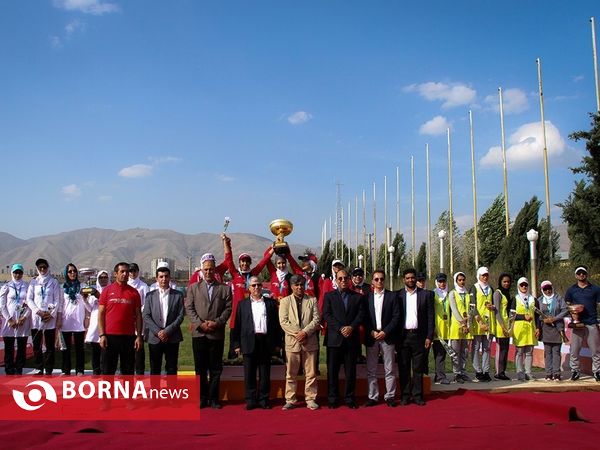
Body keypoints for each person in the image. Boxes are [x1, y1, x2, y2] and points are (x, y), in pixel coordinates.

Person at [185, 253, 232, 409]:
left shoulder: (224, 289)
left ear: (215, 270)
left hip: (216, 333)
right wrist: (200, 324)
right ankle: (202, 397)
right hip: (199, 333)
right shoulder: (193, 288)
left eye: (211, 269)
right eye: (205, 269)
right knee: (200, 368)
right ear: (201, 270)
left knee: (215, 368)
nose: (208, 272)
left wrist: (217, 323)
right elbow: (189, 308)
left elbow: (228, 309)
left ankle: (213, 398)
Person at [232, 276, 282, 410]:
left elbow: (276, 325)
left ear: (262, 287)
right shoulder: (242, 305)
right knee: (249, 373)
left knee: (265, 374)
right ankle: (250, 400)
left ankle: (264, 399)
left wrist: (278, 343)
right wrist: (236, 344)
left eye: (258, 285)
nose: (256, 287)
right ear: (249, 288)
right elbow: (237, 325)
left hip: (266, 342)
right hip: (248, 341)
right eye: (253, 285)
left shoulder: (271, 304)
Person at [223, 236, 273, 360]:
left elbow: (262, 263)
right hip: (237, 316)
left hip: (251, 315)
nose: (244, 263)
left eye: (247, 261)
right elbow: (228, 260)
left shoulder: (253, 275)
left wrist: (273, 249)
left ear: (250, 263)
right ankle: (233, 366)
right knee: (234, 346)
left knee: (249, 346)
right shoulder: (235, 274)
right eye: (242, 261)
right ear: (239, 263)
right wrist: (226, 243)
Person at [279, 274, 321, 411]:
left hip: (310, 341)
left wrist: (305, 332)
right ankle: (290, 399)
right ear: (291, 286)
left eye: (301, 285)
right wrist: (298, 333)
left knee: (311, 373)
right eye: (296, 285)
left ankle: (310, 398)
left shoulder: (312, 300)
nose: (299, 287)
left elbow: (316, 319)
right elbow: (283, 322)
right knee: (291, 373)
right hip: (292, 342)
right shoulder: (285, 301)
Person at [323, 268, 364, 409]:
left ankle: (349, 398)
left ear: (349, 279)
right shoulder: (329, 296)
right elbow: (327, 315)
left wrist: (351, 327)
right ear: (336, 280)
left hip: (351, 339)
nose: (343, 281)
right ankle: (333, 399)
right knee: (332, 371)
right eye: (340, 278)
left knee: (350, 371)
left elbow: (361, 315)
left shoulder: (357, 297)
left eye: (345, 278)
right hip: (334, 338)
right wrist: (341, 328)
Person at [396, 268, 434, 406]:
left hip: (419, 337)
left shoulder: (426, 295)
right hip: (403, 337)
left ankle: (417, 395)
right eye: (408, 278)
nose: (410, 280)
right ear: (403, 280)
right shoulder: (398, 295)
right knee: (404, 368)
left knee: (418, 369)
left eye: (413, 277)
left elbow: (431, 317)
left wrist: (429, 336)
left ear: (416, 279)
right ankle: (405, 395)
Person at [98, 262, 143, 375]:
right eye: (122, 271)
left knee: (128, 370)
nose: (125, 274)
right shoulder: (107, 291)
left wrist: (138, 336)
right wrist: (102, 334)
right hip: (110, 337)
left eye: (127, 272)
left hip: (128, 337)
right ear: (115, 274)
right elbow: (101, 314)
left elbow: (138, 315)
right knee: (108, 370)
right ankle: (108, 393)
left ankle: (127, 392)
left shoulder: (134, 293)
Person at [364, 270, 400, 407]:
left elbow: (396, 317)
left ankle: (390, 396)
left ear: (384, 280)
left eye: (381, 279)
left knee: (389, 368)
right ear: (372, 281)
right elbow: (364, 318)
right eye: (376, 279)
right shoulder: (366, 297)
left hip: (387, 336)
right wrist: (371, 331)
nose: (379, 282)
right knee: (371, 369)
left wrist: (385, 331)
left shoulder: (392, 296)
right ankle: (373, 396)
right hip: (372, 337)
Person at [143, 265, 185, 375]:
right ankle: (155, 392)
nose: (164, 279)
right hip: (154, 337)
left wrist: (167, 331)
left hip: (172, 336)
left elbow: (180, 316)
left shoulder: (178, 295)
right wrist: (158, 332)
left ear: (170, 278)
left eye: (166, 276)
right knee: (155, 368)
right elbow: (146, 316)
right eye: (161, 277)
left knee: (171, 368)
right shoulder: (150, 296)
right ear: (156, 279)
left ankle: (171, 392)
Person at [26, 258, 62, 375]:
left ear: (48, 268)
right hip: (36, 318)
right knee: (37, 345)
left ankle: (49, 369)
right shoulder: (33, 282)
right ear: (37, 268)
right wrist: (38, 311)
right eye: (40, 267)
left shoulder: (54, 282)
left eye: (44, 267)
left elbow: (57, 299)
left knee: (50, 345)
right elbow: (29, 299)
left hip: (49, 318)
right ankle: (39, 368)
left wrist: (50, 314)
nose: (42, 269)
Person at [564, 266, 600, 381]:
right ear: (576, 275)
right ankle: (575, 371)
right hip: (578, 323)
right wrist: (573, 315)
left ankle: (597, 371)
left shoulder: (595, 289)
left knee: (595, 350)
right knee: (574, 349)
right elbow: (568, 305)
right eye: (579, 273)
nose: (581, 275)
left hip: (591, 322)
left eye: (583, 273)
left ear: (586, 274)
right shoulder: (571, 290)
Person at [0, 264, 30, 375]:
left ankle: (19, 368)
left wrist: (24, 317)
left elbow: (30, 303)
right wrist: (9, 319)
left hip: (23, 321)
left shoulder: (26, 287)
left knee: (21, 347)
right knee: (9, 347)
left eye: (20, 272)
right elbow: (2, 305)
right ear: (12, 273)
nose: (17, 275)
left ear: (22, 273)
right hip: (9, 322)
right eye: (15, 272)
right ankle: (9, 369)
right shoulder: (7, 286)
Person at [536, 280, 568, 381]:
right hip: (545, 328)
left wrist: (555, 318)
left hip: (557, 327)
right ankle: (548, 373)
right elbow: (537, 314)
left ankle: (557, 373)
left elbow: (565, 310)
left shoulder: (558, 298)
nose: (548, 290)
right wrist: (544, 319)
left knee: (556, 351)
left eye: (549, 288)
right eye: (545, 289)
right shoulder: (539, 300)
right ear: (542, 289)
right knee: (548, 351)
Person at [469, 266, 494, 382]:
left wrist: (492, 307)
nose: (485, 277)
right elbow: (472, 306)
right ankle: (478, 371)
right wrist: (479, 322)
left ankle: (486, 371)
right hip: (477, 323)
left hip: (488, 322)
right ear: (478, 276)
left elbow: (493, 304)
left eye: (486, 275)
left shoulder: (490, 289)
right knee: (475, 347)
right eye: (483, 275)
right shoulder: (474, 288)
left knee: (487, 348)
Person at [60, 264, 86, 376]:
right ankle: (66, 370)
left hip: (79, 322)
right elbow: (60, 305)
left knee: (79, 348)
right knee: (65, 348)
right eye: (70, 271)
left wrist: (88, 317)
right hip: (66, 322)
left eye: (74, 271)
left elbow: (87, 304)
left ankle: (80, 369)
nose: (72, 273)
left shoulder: (83, 286)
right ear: (66, 273)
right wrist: (58, 320)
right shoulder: (62, 288)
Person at [448, 272, 472, 383]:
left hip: (466, 326)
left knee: (464, 351)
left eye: (463, 280)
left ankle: (463, 372)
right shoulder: (452, 293)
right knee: (456, 351)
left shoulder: (467, 293)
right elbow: (454, 309)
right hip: (456, 326)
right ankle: (456, 373)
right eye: (459, 280)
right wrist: (462, 323)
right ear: (456, 281)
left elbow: (469, 309)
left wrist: (467, 324)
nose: (462, 282)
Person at [513, 277, 538, 381]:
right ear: (518, 286)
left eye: (525, 285)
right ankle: (519, 372)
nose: (524, 287)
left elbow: (537, 316)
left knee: (529, 352)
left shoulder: (533, 299)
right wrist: (523, 317)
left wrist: (538, 328)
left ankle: (528, 372)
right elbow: (511, 315)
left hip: (531, 328)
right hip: (519, 329)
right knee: (519, 352)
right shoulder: (515, 299)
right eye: (522, 285)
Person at [85, 270, 109, 375]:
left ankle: (105, 370)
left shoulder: (111, 290)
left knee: (105, 348)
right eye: (101, 277)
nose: (103, 279)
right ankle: (96, 369)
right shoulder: (93, 291)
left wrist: (99, 296)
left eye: (105, 277)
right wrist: (85, 299)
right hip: (95, 320)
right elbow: (89, 308)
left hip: (107, 320)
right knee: (95, 348)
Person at [128, 262, 149, 375]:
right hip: (127, 319)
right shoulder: (125, 284)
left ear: (138, 271)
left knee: (139, 346)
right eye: (130, 271)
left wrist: (137, 312)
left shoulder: (143, 286)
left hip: (139, 318)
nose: (132, 273)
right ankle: (128, 370)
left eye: (134, 271)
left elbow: (146, 303)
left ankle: (140, 371)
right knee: (127, 347)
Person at [493, 273, 512, 380]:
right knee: (500, 349)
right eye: (504, 281)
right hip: (501, 325)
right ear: (500, 282)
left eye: (508, 282)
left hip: (507, 324)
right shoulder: (497, 293)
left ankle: (503, 371)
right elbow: (497, 311)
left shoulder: (507, 294)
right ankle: (498, 372)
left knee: (505, 350)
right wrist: (502, 326)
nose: (506, 283)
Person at [432, 273, 451, 385]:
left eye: (443, 281)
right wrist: (432, 327)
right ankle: (440, 376)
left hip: (447, 328)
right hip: (436, 328)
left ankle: (438, 375)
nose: (442, 284)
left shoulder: (449, 294)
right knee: (439, 352)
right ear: (436, 282)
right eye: (440, 281)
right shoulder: (433, 294)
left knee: (443, 353)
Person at [351, 266, 370, 364]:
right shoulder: (349, 287)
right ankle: (357, 357)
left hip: (367, 319)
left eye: (360, 275)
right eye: (355, 275)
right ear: (352, 276)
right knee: (355, 341)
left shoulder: (369, 288)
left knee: (368, 340)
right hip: (353, 319)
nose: (358, 277)